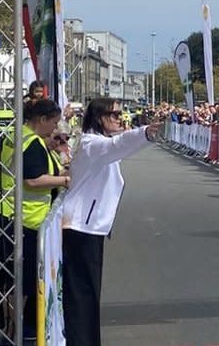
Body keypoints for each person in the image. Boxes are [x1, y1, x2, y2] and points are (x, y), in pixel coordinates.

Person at [62, 98, 162, 346]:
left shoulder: (97, 143)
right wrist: (145, 134)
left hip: (88, 226)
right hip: (80, 227)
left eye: (120, 114)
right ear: (99, 117)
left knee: (88, 293)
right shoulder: (92, 144)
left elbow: (117, 146)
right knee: (83, 294)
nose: (120, 118)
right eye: (114, 114)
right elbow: (119, 145)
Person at [0, 98, 68, 340]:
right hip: (24, 220)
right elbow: (33, 180)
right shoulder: (33, 143)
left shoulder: (15, 134)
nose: (55, 129)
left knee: (7, 281)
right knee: (22, 283)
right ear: (42, 120)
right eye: (54, 123)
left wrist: (52, 146)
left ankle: (8, 328)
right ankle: (16, 331)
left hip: (5, 213)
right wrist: (66, 181)